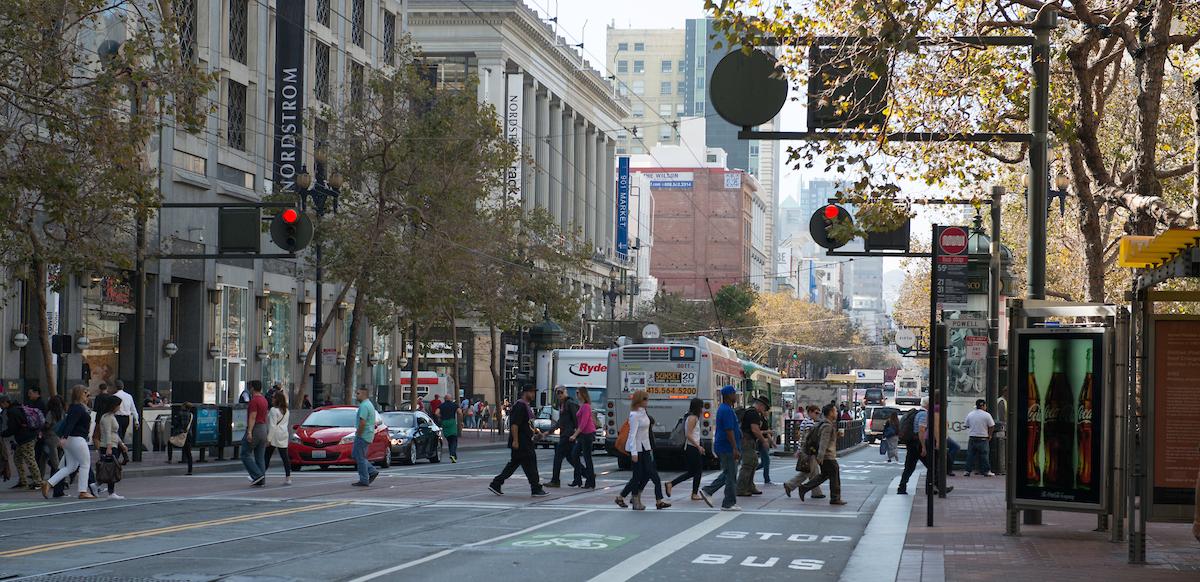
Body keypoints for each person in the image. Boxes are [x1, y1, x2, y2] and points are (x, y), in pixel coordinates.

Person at [488, 384, 548, 497]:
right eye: (532, 392)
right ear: (526, 393)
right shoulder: (520, 406)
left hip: (525, 441)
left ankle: (496, 483)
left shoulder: (526, 406)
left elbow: (527, 424)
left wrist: (536, 431)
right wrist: (515, 440)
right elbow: (515, 425)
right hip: (522, 442)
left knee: (514, 465)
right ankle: (535, 488)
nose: (534, 394)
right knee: (530, 465)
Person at [615, 390, 668, 510]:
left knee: (651, 474)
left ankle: (655, 499)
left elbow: (646, 433)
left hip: (646, 447)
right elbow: (632, 435)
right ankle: (635, 499)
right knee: (637, 475)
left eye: (647, 399)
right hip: (636, 448)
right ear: (639, 400)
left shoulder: (644, 413)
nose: (647, 401)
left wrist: (649, 449)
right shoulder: (634, 415)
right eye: (645, 399)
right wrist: (633, 452)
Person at [42, 386, 96, 499]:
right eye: (86, 394)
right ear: (81, 394)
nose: (88, 396)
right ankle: (82, 491)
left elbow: (70, 423)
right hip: (77, 439)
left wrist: (65, 437)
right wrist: (64, 437)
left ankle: (49, 483)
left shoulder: (74, 407)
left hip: (71, 440)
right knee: (85, 464)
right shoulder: (78, 408)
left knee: (71, 466)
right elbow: (70, 424)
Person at [898, 397, 953, 496]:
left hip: (912, 444)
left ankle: (902, 487)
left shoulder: (917, 413)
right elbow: (921, 430)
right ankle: (935, 487)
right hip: (918, 444)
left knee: (909, 467)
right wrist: (923, 446)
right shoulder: (924, 414)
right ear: (928, 404)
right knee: (932, 466)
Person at [793, 404, 847, 505]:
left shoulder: (821, 423)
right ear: (830, 413)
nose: (836, 413)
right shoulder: (827, 425)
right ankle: (835, 498)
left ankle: (804, 488)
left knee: (824, 475)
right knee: (834, 475)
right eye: (835, 411)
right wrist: (820, 456)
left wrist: (836, 436)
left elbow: (825, 439)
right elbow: (823, 441)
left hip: (824, 456)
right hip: (827, 456)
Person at [700, 385, 742, 511]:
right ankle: (728, 503)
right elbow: (729, 430)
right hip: (727, 447)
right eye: (734, 393)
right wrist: (735, 447)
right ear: (729, 395)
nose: (736, 396)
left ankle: (708, 490)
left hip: (724, 446)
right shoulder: (727, 410)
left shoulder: (725, 409)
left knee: (728, 473)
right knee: (731, 476)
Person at [666, 397, 706, 501]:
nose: (703, 409)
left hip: (692, 447)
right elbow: (688, 434)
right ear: (698, 407)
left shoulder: (691, 417)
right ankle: (694, 493)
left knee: (692, 472)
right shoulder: (693, 418)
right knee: (697, 471)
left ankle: (671, 484)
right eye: (701, 406)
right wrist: (698, 446)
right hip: (692, 447)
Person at [0, 394, 41, 490]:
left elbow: (12, 428)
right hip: (26, 437)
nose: (1, 406)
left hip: (26, 438)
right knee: (17, 458)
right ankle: (23, 481)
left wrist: (2, 434)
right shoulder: (17, 407)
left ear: (6, 402)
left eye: (1, 403)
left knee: (30, 459)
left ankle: (38, 481)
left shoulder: (12, 411)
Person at [547, 387, 582, 488]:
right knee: (571, 458)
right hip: (565, 435)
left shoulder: (570, 403)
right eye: (558, 393)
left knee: (558, 457)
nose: (559, 395)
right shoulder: (562, 405)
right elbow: (560, 421)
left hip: (568, 435)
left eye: (561, 392)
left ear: (566, 393)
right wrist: (549, 432)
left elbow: (576, 420)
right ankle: (588, 474)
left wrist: (575, 434)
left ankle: (555, 480)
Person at [736, 396, 770, 496]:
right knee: (748, 464)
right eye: (765, 408)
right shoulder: (753, 413)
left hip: (748, 440)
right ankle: (741, 488)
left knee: (753, 462)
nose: (764, 410)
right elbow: (755, 429)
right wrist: (764, 441)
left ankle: (750, 485)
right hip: (747, 441)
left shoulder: (751, 412)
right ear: (761, 405)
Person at [95, 396, 127, 499]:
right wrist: (109, 446)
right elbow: (108, 433)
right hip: (109, 445)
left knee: (107, 468)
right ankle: (110, 492)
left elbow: (114, 433)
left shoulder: (108, 416)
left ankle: (97, 485)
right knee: (111, 469)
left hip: (112, 444)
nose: (119, 407)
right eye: (118, 405)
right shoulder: (108, 417)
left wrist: (121, 444)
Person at [240, 380, 269, 487]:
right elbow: (265, 416)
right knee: (260, 456)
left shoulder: (254, 401)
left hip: (255, 428)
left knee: (245, 454)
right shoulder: (264, 400)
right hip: (263, 428)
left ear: (252, 388)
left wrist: (249, 432)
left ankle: (257, 475)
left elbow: (252, 416)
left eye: (250, 387)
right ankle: (262, 479)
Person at [351, 386, 380, 487]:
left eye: (358, 393)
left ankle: (364, 479)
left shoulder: (364, 406)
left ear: (363, 394)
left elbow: (362, 422)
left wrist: (359, 434)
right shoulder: (369, 404)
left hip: (363, 435)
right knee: (356, 455)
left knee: (360, 457)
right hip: (367, 434)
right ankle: (371, 471)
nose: (356, 396)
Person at [568, 387, 597, 489]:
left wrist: (575, 435)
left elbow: (584, 423)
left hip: (587, 434)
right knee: (575, 455)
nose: (576, 395)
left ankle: (590, 482)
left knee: (586, 458)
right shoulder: (582, 406)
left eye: (578, 393)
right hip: (583, 435)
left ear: (583, 394)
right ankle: (578, 479)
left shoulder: (586, 406)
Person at [264, 391, 293, 485]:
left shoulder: (273, 410)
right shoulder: (287, 411)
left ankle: (260, 475)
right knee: (284, 456)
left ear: (277, 399)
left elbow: (272, 426)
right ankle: (288, 477)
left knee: (267, 456)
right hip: (284, 433)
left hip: (275, 434)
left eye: (273, 397)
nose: (272, 399)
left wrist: (268, 439)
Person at [963, 399, 996, 477]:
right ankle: (986, 471)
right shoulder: (987, 415)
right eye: (985, 405)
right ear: (983, 405)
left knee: (970, 455)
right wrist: (990, 435)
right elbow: (992, 426)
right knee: (984, 456)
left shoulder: (970, 414)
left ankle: (967, 471)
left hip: (972, 438)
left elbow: (966, 425)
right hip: (983, 438)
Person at [111, 380, 138, 463]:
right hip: (126, 418)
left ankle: (122, 456)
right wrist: (136, 421)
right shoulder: (129, 396)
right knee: (121, 437)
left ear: (115, 387)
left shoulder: (114, 396)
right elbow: (133, 409)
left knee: (118, 438)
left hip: (117, 418)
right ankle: (121, 456)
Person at [39, 395, 65, 480]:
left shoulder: (51, 413)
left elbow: (47, 424)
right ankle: (40, 477)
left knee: (54, 461)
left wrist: (41, 427)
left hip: (50, 438)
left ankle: (61, 480)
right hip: (58, 437)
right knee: (44, 458)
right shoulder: (62, 412)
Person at [436, 394, 462, 463]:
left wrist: (441, 417)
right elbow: (460, 412)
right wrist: (460, 420)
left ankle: (452, 455)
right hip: (452, 422)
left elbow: (436, 413)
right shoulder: (454, 405)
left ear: (444, 399)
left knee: (449, 440)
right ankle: (453, 454)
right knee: (454, 440)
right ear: (450, 399)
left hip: (444, 422)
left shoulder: (441, 405)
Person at [177, 402, 196, 475]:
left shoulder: (180, 414)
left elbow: (177, 423)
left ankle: (169, 459)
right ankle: (190, 470)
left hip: (181, 434)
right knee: (189, 453)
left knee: (171, 442)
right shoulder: (191, 415)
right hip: (189, 434)